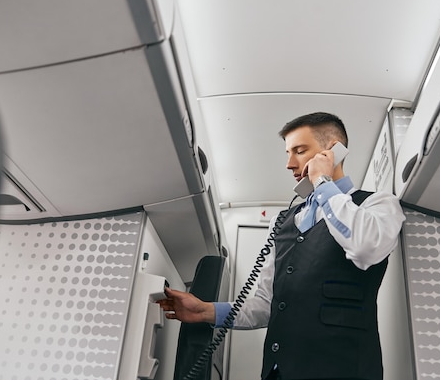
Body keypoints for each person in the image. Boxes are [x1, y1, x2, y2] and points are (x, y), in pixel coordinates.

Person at [158, 112, 405, 380]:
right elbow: (266, 305)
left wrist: (322, 182)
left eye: (299, 151)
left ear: (335, 151)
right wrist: (205, 310)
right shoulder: (282, 221)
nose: (289, 163)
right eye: (288, 153)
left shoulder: (376, 204)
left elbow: (365, 248)